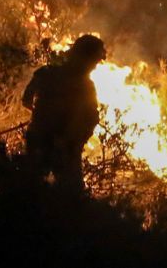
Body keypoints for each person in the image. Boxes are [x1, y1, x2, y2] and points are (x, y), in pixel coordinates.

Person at [21, 34, 107, 191]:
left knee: (31, 189)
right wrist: (72, 141)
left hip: (40, 142)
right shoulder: (85, 86)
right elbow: (91, 118)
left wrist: (40, 116)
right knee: (70, 197)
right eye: (94, 61)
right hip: (65, 150)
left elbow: (26, 100)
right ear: (85, 59)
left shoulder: (46, 73)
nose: (94, 66)